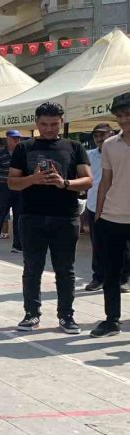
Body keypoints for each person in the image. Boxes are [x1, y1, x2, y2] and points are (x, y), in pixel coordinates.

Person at [8, 102, 93, 333]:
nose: (49, 129)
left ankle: (66, 316)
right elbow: (12, 183)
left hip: (65, 217)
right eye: (44, 124)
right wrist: (32, 179)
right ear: (36, 123)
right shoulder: (24, 147)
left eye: (54, 124)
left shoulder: (74, 147)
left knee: (65, 270)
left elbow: (88, 180)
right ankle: (31, 314)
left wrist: (64, 182)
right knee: (32, 268)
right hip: (31, 216)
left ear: (62, 122)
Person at [91, 93, 130, 338]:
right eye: (119, 116)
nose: (124, 120)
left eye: (127, 115)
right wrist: (98, 214)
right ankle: (111, 320)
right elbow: (105, 180)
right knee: (111, 274)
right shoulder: (109, 144)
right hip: (112, 217)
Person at [84, 123, 128, 292]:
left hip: (117, 206)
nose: (99, 139)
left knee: (123, 246)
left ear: (112, 133)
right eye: (96, 136)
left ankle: (123, 279)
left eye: (103, 135)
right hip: (94, 205)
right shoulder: (89, 155)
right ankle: (98, 277)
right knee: (97, 245)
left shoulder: (121, 151)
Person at [0, 130, 23, 253]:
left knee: (18, 217)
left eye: (18, 138)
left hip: (19, 188)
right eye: (13, 138)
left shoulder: (22, 152)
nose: (16, 140)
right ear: (7, 139)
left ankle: (17, 245)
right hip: (4, 187)